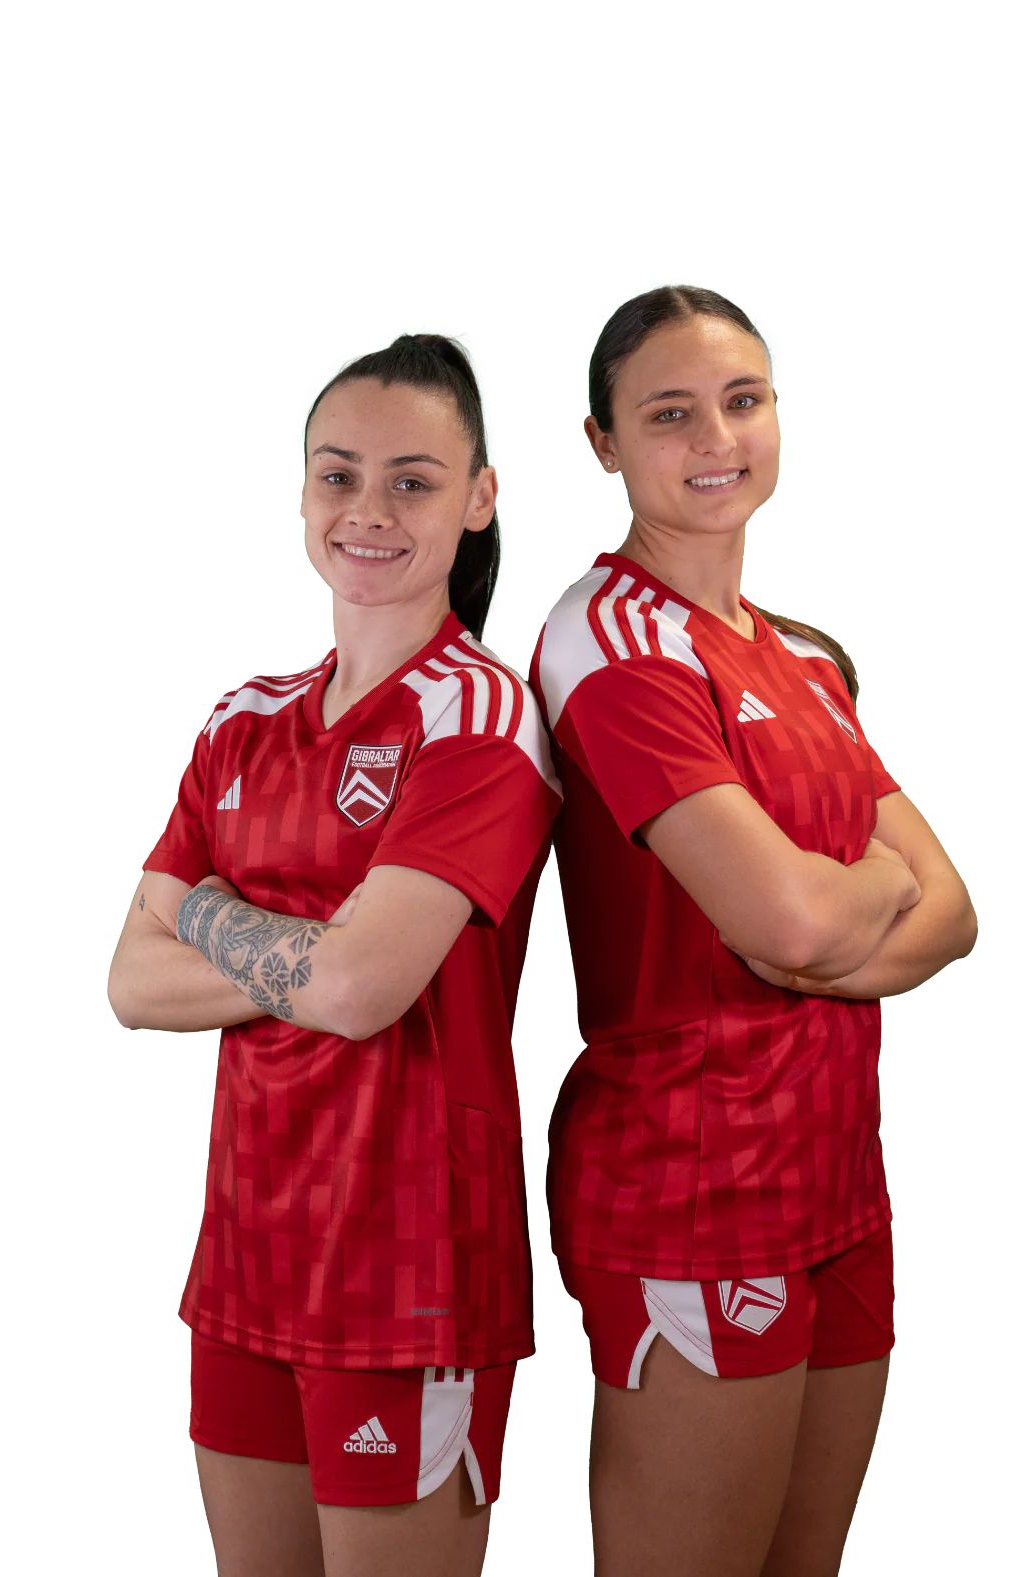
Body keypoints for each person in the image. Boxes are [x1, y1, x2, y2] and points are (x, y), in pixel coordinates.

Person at [530, 286, 976, 1577]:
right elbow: (784, 912)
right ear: (602, 442)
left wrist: (825, 926)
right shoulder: (606, 637)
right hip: (694, 1189)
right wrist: (843, 896)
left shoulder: (800, 659)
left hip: (839, 1180)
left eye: (742, 400)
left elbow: (950, 909)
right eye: (667, 413)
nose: (715, 437)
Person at [109, 334, 560, 1577]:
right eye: (338, 474)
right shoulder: (242, 717)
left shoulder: (480, 713)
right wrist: (321, 951)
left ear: (478, 498)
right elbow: (128, 982)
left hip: (407, 1267)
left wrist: (206, 910)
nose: (368, 508)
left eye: (413, 480)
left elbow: (365, 991)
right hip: (247, 1251)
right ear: (303, 489)